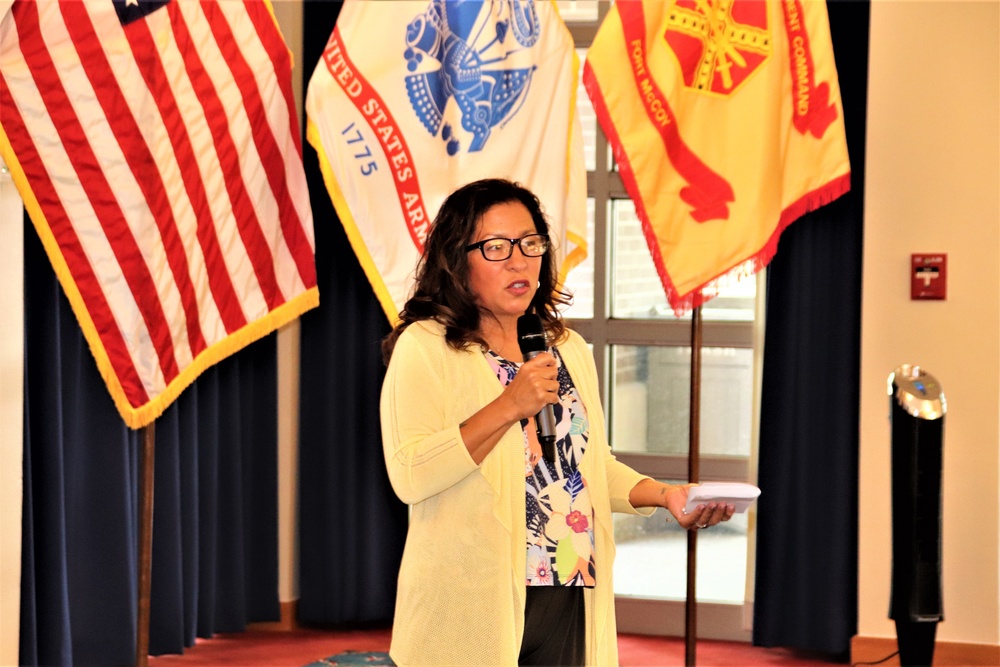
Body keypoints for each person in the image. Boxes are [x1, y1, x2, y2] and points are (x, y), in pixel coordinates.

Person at [380, 178, 735, 666]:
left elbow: (587, 469)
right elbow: (411, 473)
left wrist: (665, 494)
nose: (518, 260)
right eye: (496, 247)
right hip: (470, 600)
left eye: (530, 244)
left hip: (568, 589)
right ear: (457, 260)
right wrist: (510, 405)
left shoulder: (566, 347)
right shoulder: (425, 348)